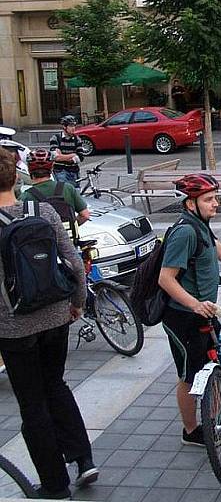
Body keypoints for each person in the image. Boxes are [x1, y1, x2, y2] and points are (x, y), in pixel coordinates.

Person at [0, 148, 96, 499]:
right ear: (16, 177)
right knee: (55, 385)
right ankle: (83, 459)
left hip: (14, 327)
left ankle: (56, 485)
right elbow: (72, 261)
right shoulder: (41, 211)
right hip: (57, 315)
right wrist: (77, 304)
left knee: (33, 404)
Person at [158, 174, 221, 446]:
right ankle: (191, 431)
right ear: (190, 204)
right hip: (182, 316)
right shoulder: (184, 232)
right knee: (189, 374)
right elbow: (165, 279)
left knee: (213, 363)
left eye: (215, 197)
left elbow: (216, 247)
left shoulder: (200, 225)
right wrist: (194, 304)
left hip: (204, 312)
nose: (216, 203)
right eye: (209, 199)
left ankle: (213, 418)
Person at [20, 149, 91, 242]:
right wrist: (69, 228)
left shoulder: (26, 196)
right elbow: (85, 215)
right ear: (52, 168)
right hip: (69, 243)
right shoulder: (68, 188)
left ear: (29, 169)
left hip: (43, 247)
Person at [49, 116, 82, 188]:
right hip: (60, 172)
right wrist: (73, 155)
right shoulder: (56, 138)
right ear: (64, 126)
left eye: (74, 125)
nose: (73, 128)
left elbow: (80, 157)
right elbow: (55, 157)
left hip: (74, 172)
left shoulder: (77, 139)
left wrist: (62, 156)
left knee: (75, 194)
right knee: (63, 194)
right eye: (70, 126)